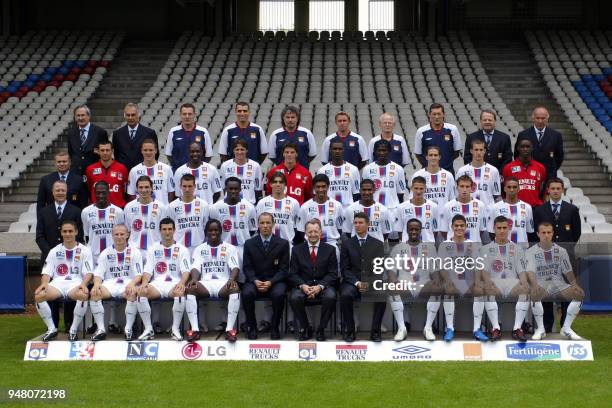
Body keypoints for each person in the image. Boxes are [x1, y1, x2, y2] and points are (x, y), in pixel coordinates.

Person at [533, 177, 581, 332]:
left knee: (568, 290)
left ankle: (566, 325)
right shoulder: (539, 210)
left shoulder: (572, 209)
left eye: (558, 188)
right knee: (546, 291)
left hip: (567, 257)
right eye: (552, 188)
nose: (555, 191)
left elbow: (576, 233)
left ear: (563, 190)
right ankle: (547, 325)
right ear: (547, 190)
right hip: (546, 258)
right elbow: (536, 234)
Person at [34, 220, 94, 341]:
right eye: (65, 231)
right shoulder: (54, 251)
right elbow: (46, 272)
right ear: (61, 233)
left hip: (75, 284)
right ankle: (51, 329)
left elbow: (88, 272)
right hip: (57, 284)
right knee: (39, 295)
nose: (68, 234)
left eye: (70, 231)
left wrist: (83, 284)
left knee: (83, 294)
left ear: (76, 232)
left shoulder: (85, 250)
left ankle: (73, 330)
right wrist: (44, 284)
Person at [35, 181, 83, 332]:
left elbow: (79, 235)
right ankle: (53, 325)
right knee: (50, 291)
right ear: (53, 192)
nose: (60, 192)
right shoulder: (44, 211)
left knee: (69, 289)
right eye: (57, 190)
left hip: (71, 259)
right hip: (50, 258)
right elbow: (39, 236)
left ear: (67, 191)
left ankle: (69, 325)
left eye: (63, 190)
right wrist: (52, 252)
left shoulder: (75, 211)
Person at [525, 222, 585, 340]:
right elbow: (530, 272)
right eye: (543, 233)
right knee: (534, 293)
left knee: (579, 294)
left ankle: (566, 328)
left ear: (552, 234)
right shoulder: (530, 251)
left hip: (558, 284)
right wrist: (534, 284)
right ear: (538, 234)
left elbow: (568, 271)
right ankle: (541, 329)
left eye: (548, 232)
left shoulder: (561, 251)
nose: (546, 235)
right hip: (541, 284)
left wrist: (574, 285)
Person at [187, 219, 242, 342]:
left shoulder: (230, 248)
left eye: (216, 230)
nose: (213, 232)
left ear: (221, 231)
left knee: (235, 287)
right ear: (206, 232)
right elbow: (195, 267)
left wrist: (231, 279)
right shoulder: (199, 249)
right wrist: (194, 279)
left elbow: (235, 267)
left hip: (223, 284)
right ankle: (195, 330)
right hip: (205, 284)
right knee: (190, 288)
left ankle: (229, 330)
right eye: (210, 230)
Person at [138, 217, 192, 341]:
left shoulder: (182, 249)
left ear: (174, 230)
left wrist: (182, 283)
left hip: (173, 284)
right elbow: (147, 270)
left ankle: (175, 329)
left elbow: (186, 271)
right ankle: (148, 329)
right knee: (141, 292)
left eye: (169, 229)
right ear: (160, 231)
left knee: (179, 292)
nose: (167, 232)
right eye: (164, 229)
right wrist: (145, 283)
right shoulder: (153, 249)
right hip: (157, 284)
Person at [386, 219, 440, 340]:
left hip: (423, 284)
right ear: (407, 230)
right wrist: (394, 282)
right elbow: (391, 270)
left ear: (421, 231)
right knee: (392, 287)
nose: (414, 231)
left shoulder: (430, 248)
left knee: (438, 287)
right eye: (411, 229)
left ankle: (428, 328)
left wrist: (436, 279)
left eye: (416, 229)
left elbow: (435, 270)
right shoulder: (398, 248)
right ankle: (402, 328)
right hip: (405, 284)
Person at [479, 216, 531, 342]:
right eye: (499, 228)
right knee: (487, 290)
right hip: (494, 282)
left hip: (512, 282)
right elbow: (484, 271)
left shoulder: (517, 248)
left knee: (526, 291)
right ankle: (496, 328)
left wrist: (524, 283)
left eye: (504, 228)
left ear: (509, 229)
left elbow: (521, 271)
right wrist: (488, 282)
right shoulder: (485, 249)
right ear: (494, 229)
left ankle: (517, 329)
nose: (502, 231)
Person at [89, 224, 144, 341]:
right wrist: (97, 284)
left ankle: (128, 329)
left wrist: (132, 284)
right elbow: (98, 274)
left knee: (133, 292)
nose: (119, 237)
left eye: (122, 234)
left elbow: (139, 275)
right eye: (116, 234)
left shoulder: (135, 252)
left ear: (127, 235)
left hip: (128, 284)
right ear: (112, 235)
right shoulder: (105, 253)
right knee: (94, 293)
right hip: (110, 284)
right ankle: (101, 329)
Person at [242, 212, 290, 340]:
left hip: (275, 281)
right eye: (262, 223)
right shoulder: (249, 243)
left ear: (273, 224)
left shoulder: (283, 244)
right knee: (246, 294)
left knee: (279, 294)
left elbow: (284, 269)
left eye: (268, 223)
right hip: (255, 281)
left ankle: (274, 327)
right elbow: (247, 267)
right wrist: (254, 280)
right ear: (258, 225)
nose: (265, 226)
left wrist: (271, 282)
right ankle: (252, 327)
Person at [340, 212, 386, 342]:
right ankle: (350, 331)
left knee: (382, 293)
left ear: (368, 225)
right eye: (355, 223)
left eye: (361, 223)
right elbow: (345, 269)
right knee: (345, 295)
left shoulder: (378, 244)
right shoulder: (347, 244)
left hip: (371, 281)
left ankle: (375, 332)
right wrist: (357, 283)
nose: (357, 225)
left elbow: (380, 268)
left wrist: (369, 283)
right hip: (352, 282)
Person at [289, 219, 338, 341]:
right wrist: (303, 286)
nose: (313, 234)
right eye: (310, 231)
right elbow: (293, 274)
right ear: (305, 233)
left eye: (316, 231)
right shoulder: (296, 250)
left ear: (321, 232)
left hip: (323, 286)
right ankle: (305, 328)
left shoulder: (330, 249)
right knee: (295, 297)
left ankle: (321, 329)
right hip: (304, 286)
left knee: (331, 297)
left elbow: (333, 274)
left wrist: (320, 286)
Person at [436, 215, 482, 341]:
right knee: (448, 292)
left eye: (462, 225)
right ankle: (450, 328)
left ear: (466, 227)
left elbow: (478, 266)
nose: (459, 228)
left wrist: (477, 282)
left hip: (468, 282)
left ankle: (477, 329)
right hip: (452, 281)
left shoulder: (472, 244)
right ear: (451, 227)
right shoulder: (444, 245)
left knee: (480, 291)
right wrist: (448, 281)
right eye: (456, 225)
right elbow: (441, 266)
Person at [362, 139, 406, 240]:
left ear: (389, 151)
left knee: (393, 240)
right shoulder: (367, 169)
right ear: (375, 152)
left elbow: (400, 194)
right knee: (374, 239)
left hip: (392, 209)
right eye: (379, 150)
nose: (382, 153)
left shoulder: (398, 169)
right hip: (374, 209)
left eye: (384, 150)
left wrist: (399, 211)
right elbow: (364, 191)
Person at [209, 177, 258, 267]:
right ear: (226, 189)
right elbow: (212, 229)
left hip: (242, 248)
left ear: (240, 189)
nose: (233, 191)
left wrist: (242, 238)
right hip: (223, 248)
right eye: (230, 189)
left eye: (236, 189)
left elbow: (252, 230)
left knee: (242, 279)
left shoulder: (249, 207)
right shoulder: (215, 207)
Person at [297, 174, 344, 256]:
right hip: (311, 245)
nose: (321, 189)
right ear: (314, 188)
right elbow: (301, 231)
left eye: (323, 186)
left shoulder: (337, 205)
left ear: (328, 187)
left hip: (331, 244)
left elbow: (340, 229)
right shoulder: (305, 207)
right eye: (318, 187)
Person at [81, 181, 125, 267]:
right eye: (98, 193)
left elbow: (121, 234)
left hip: (113, 254)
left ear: (108, 192)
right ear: (94, 193)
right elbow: (86, 235)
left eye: (103, 193)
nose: (101, 196)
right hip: (93, 255)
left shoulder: (118, 211)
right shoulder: (86, 211)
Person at [124, 176, 168, 259]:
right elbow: (128, 231)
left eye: (147, 187)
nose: (144, 190)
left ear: (152, 188)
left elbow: (165, 231)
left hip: (155, 250)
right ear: (136, 189)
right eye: (141, 187)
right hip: (134, 250)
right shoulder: (129, 207)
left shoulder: (161, 207)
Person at [516, 106, 564, 182]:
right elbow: (517, 155)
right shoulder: (523, 134)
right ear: (533, 118)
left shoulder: (556, 135)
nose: (540, 121)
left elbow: (559, 156)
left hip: (549, 176)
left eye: (543, 118)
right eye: (537, 118)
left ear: (547, 118)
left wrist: (551, 169)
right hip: (528, 175)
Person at [167, 174, 210, 256]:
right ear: (180, 186)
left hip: (198, 248)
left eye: (190, 186)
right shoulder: (172, 206)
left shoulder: (203, 205)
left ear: (194, 186)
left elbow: (206, 227)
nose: (187, 189)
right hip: (179, 248)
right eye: (184, 186)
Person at [414, 103, 462, 176]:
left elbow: (456, 152)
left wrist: (446, 162)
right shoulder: (421, 131)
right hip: (427, 173)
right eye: (434, 114)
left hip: (448, 171)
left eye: (439, 114)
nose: (436, 117)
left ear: (443, 114)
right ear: (429, 115)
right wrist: (429, 165)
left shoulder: (453, 129)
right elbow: (418, 154)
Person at [164, 103, 213, 171]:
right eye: (184, 114)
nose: (187, 116)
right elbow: (169, 155)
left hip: (198, 172)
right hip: (178, 173)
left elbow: (208, 156)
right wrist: (179, 168)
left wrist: (198, 168)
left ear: (194, 115)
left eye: (190, 114)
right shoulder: (173, 131)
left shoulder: (203, 132)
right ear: (180, 115)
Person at [112, 102, 159, 172]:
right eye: (128, 115)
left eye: (133, 115)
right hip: (124, 173)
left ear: (138, 115)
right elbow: (117, 155)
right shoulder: (117, 134)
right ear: (124, 116)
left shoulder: (149, 133)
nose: (130, 117)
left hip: (143, 173)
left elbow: (156, 153)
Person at [439, 175, 488, 242]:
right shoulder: (448, 206)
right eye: (462, 186)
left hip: (474, 247)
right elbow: (444, 231)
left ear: (471, 188)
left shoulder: (480, 205)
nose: (464, 190)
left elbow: (482, 230)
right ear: (457, 188)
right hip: (453, 248)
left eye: (467, 187)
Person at [256, 172, 301, 244]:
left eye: (281, 182)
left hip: (287, 244)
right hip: (268, 244)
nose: (278, 184)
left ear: (285, 185)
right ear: (270, 184)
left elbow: (297, 226)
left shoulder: (294, 203)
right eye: (275, 182)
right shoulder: (262, 203)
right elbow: (258, 226)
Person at [127, 138, 175, 205]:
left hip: (162, 211)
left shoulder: (166, 169)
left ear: (155, 150)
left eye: (150, 150)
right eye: (145, 150)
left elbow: (171, 192)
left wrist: (166, 207)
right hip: (141, 211)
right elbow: (131, 194)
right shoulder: (134, 171)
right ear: (141, 151)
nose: (148, 153)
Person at [463, 109, 512, 173]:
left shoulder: (505, 138)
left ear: (494, 121)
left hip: (498, 176)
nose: (487, 122)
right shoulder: (471, 137)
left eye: (490, 120)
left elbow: (508, 159)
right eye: (485, 120)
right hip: (477, 175)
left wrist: (497, 173)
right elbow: (467, 159)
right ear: (481, 121)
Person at [488, 177, 534, 244]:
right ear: (504, 189)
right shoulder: (495, 207)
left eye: (514, 187)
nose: (511, 190)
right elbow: (491, 232)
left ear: (519, 189)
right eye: (509, 187)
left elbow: (529, 232)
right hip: (502, 249)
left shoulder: (527, 207)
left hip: (522, 249)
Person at [502, 138, 547, 208]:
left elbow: (543, 190)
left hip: (535, 208)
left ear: (532, 148)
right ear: (518, 148)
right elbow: (504, 190)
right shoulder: (508, 168)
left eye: (527, 146)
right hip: (515, 207)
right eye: (522, 147)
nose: (525, 149)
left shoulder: (540, 168)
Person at [456, 139, 501, 207]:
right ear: (471, 151)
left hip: (487, 212)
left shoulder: (493, 171)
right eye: (476, 150)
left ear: (484, 151)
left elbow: (497, 195)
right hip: (469, 212)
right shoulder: (462, 171)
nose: (478, 152)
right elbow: (457, 194)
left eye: (481, 150)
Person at [84, 140, 129, 208]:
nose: (105, 153)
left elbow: (124, 190)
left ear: (112, 151)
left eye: (107, 150)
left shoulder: (122, 168)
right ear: (98, 151)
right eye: (102, 150)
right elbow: (89, 189)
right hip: (96, 209)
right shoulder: (90, 169)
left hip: (117, 209)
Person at [317, 140, 361, 208]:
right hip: (329, 209)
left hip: (347, 209)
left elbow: (356, 193)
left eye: (340, 149)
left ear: (344, 150)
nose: (337, 151)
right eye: (335, 149)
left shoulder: (353, 169)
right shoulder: (322, 171)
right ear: (330, 150)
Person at [219, 139, 263, 205]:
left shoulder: (255, 166)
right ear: (233, 151)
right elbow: (223, 187)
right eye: (237, 149)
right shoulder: (225, 165)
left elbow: (258, 189)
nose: (239, 152)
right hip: (230, 204)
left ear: (246, 150)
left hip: (249, 204)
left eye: (242, 149)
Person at [67, 105, 109, 175]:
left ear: (89, 116)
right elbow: (71, 153)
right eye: (78, 115)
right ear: (75, 117)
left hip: (94, 173)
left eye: (83, 115)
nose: (80, 118)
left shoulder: (100, 132)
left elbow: (105, 152)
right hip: (76, 174)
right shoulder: (71, 133)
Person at [395, 176, 438, 243]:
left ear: (425, 189)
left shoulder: (433, 206)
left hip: (428, 246)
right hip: (408, 246)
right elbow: (400, 231)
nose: (418, 191)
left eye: (421, 188)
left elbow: (435, 230)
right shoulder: (401, 207)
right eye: (416, 188)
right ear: (411, 188)